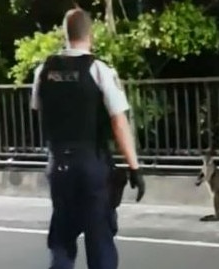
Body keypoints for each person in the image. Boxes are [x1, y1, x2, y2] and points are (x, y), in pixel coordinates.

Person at [30, 7, 145, 269]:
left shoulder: (43, 71)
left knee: (61, 239)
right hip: (91, 164)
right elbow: (118, 122)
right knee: (99, 239)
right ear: (90, 34)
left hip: (58, 162)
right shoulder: (99, 70)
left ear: (64, 34)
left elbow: (39, 111)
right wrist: (134, 168)